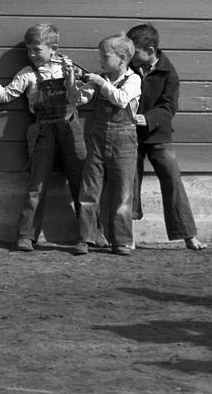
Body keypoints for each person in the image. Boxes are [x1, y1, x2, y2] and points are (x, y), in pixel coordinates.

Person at [0, 24, 85, 252]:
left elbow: (83, 97)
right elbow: (3, 96)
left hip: (70, 128)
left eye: (37, 50)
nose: (32, 55)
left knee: (81, 183)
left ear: (53, 48)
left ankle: (90, 235)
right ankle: (26, 236)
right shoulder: (27, 74)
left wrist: (73, 74)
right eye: (29, 51)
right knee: (36, 185)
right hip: (42, 131)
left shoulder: (70, 68)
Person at [126, 24, 206, 251]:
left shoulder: (169, 72)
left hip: (158, 134)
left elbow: (169, 107)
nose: (131, 57)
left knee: (172, 180)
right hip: (130, 135)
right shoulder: (129, 67)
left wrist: (148, 119)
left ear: (150, 50)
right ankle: (127, 236)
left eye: (136, 52)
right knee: (129, 182)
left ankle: (188, 235)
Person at [71, 34, 142, 256]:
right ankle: (85, 238)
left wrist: (100, 83)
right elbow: (79, 99)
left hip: (124, 141)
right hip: (98, 140)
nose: (101, 59)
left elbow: (121, 99)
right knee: (89, 190)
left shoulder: (134, 80)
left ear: (122, 58)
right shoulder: (100, 78)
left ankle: (120, 240)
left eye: (105, 55)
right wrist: (71, 81)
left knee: (122, 192)